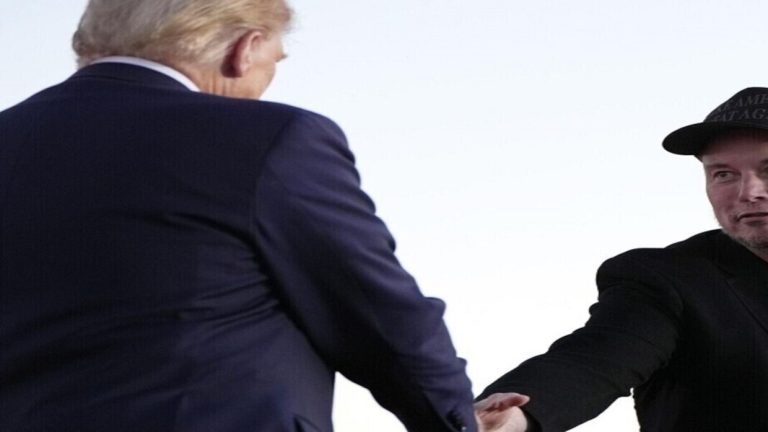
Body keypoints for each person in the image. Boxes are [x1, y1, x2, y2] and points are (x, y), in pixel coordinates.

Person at [0, 1, 478, 431]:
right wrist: (456, 419)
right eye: (275, 62)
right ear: (244, 49)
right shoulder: (271, 139)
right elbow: (377, 313)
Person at [474, 87, 768, 431]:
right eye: (723, 174)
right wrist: (514, 416)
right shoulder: (670, 280)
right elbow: (595, 360)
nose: (749, 192)